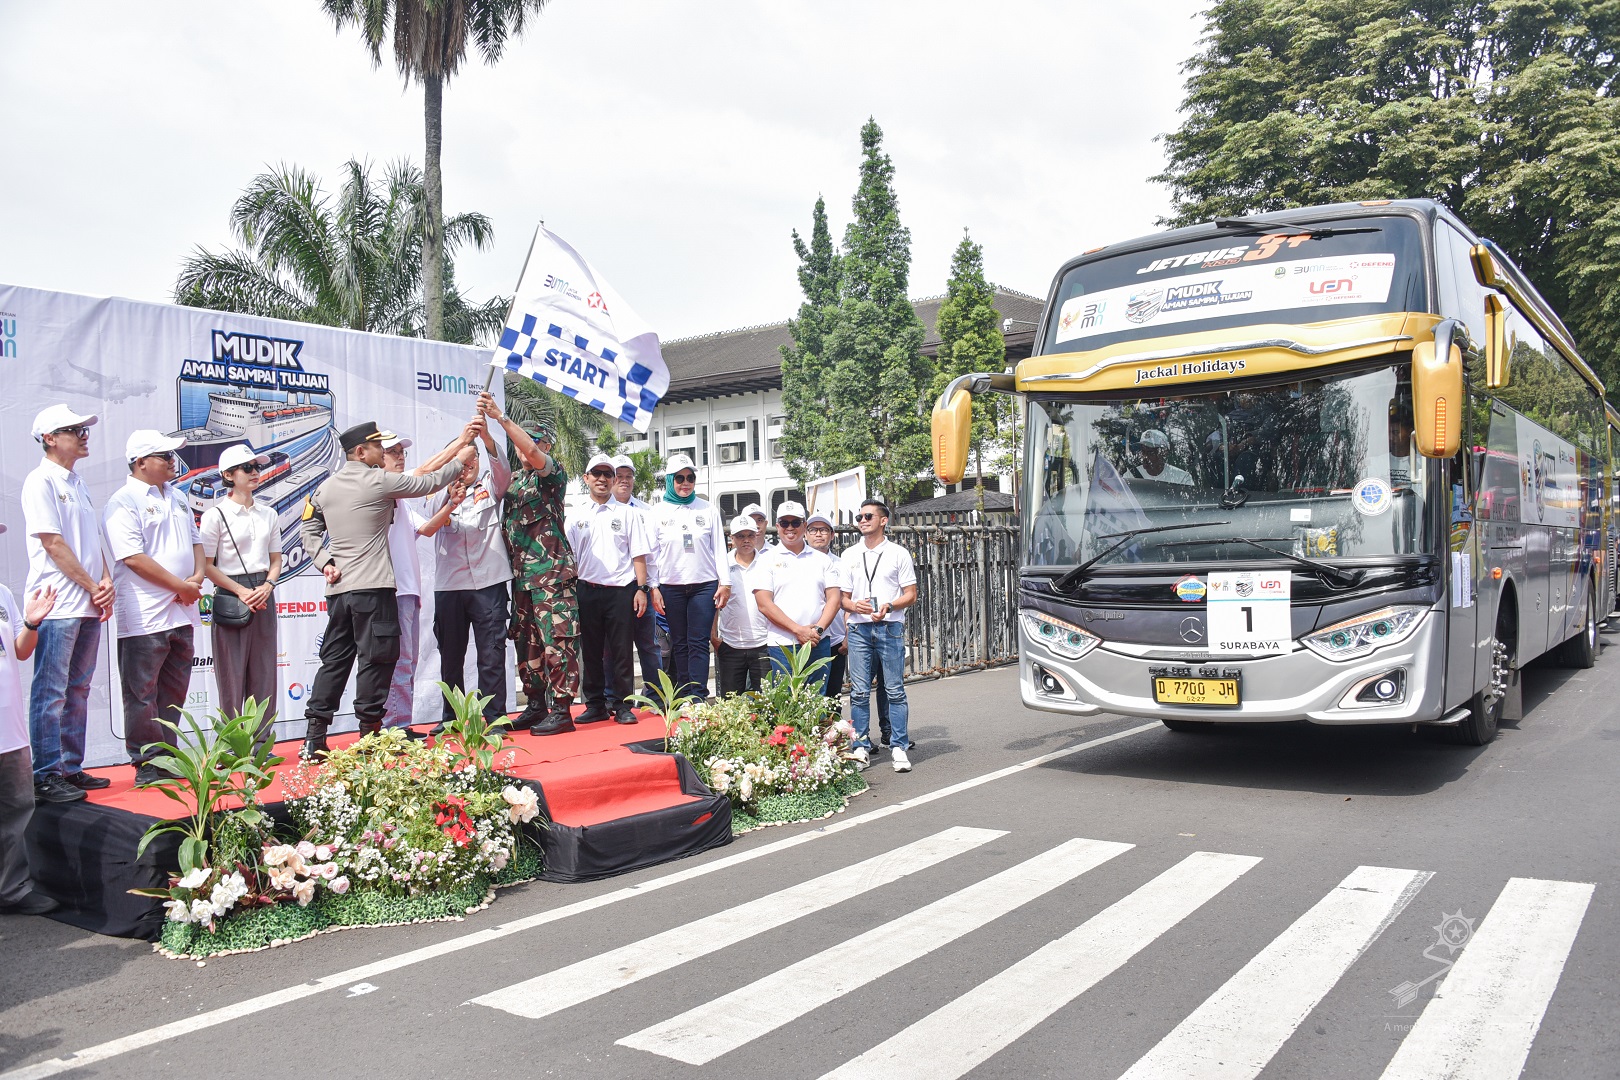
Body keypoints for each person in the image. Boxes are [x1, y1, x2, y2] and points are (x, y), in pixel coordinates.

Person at [299, 422, 470, 756]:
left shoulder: (326, 488)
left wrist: (324, 561)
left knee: (334, 663)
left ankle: (314, 738)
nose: (383, 451)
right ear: (360, 452)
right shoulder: (377, 480)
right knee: (375, 663)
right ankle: (370, 737)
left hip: (338, 591)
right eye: (378, 446)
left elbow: (309, 526)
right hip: (374, 589)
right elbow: (427, 483)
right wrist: (460, 460)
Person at [21, 405, 113, 803]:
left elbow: (91, 542)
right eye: (74, 430)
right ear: (49, 438)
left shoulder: (78, 483)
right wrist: (93, 585)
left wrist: (105, 581)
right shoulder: (39, 480)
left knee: (78, 689)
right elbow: (53, 544)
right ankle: (45, 775)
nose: (83, 435)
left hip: (87, 602)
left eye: (84, 429)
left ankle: (70, 769)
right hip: (57, 604)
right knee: (51, 692)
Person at [105, 431, 205, 786]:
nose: (172, 461)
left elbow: (196, 543)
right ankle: (146, 761)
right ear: (141, 462)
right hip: (145, 614)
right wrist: (181, 586)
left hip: (182, 610)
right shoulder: (123, 500)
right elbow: (132, 557)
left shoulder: (177, 495)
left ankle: (168, 757)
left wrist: (196, 578)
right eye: (165, 456)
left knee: (174, 691)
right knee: (141, 692)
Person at [478, 393, 579, 736]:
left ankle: (562, 710)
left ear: (546, 445)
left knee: (558, 643)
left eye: (534, 441)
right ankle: (536, 705)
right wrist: (487, 437)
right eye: (522, 441)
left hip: (552, 578)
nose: (525, 447)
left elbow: (533, 454)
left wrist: (501, 418)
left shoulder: (551, 475)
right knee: (527, 645)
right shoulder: (514, 481)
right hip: (521, 580)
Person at [423, 415, 513, 732]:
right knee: (451, 657)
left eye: (473, 458)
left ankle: (495, 718)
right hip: (450, 586)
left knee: (491, 654)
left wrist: (486, 438)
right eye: (462, 459)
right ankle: (452, 718)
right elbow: (428, 517)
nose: (468, 464)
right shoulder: (436, 493)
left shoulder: (490, 486)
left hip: (489, 584)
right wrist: (449, 494)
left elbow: (503, 471)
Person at [379, 430, 469, 735]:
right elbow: (424, 472)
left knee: (408, 660)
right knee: (399, 661)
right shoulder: (384, 488)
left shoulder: (401, 502)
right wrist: (460, 444)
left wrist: (451, 504)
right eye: (392, 452)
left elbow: (428, 529)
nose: (400, 457)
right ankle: (394, 727)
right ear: (378, 457)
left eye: (401, 451)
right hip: (393, 590)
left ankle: (399, 724)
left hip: (408, 590)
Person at [199, 444, 282, 749]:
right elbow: (207, 565)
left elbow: (276, 559)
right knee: (231, 674)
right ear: (228, 475)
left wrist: (268, 585)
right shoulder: (215, 515)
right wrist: (241, 591)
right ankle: (232, 743)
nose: (255, 472)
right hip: (231, 594)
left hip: (263, 593)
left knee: (264, 670)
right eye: (247, 468)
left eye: (257, 467)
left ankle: (260, 743)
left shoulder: (269, 513)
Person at [566, 453, 653, 725]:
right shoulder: (575, 515)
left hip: (620, 591)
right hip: (587, 590)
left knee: (621, 651)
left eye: (607, 474)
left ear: (614, 479)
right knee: (591, 650)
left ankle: (623, 705)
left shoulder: (628, 514)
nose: (602, 479)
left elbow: (639, 554)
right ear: (586, 478)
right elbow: (569, 557)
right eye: (597, 473)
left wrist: (642, 589)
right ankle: (595, 704)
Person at [1, 551, 63, 914]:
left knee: (16, 812)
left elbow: (20, 651)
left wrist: (31, 623)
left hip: (10, 730)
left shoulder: (3, 593)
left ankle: (12, 890)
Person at [841, 498, 918, 772]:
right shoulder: (849, 554)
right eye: (859, 517)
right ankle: (860, 747)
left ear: (883, 521)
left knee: (895, 690)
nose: (862, 521)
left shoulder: (898, 553)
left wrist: (889, 606)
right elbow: (843, 599)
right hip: (859, 629)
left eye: (868, 516)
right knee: (859, 692)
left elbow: (911, 594)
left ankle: (898, 746)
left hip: (889, 627)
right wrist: (855, 606)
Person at [647, 453, 729, 699]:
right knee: (679, 643)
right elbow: (651, 554)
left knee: (699, 642)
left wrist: (725, 582)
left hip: (704, 586)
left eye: (690, 478)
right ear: (670, 480)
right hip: (670, 587)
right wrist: (653, 587)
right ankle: (685, 695)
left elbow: (719, 548)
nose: (685, 483)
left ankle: (699, 695)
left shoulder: (708, 509)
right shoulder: (656, 512)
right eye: (680, 478)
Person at [750, 501, 841, 694]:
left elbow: (834, 599)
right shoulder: (766, 560)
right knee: (787, 701)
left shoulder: (822, 560)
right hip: (783, 644)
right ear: (777, 526)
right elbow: (764, 603)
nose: (790, 528)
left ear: (804, 525)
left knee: (817, 700)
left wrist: (817, 630)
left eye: (795, 522)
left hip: (818, 641)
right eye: (785, 523)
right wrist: (798, 630)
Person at [607, 454, 662, 709]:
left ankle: (655, 695)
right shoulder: (600, 510)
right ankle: (614, 698)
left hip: (641, 586)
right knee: (613, 647)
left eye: (629, 476)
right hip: (612, 590)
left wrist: (652, 586)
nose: (624, 481)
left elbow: (653, 554)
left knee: (648, 644)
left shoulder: (646, 512)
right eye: (619, 476)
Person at [712, 514, 772, 695]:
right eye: (740, 536)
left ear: (757, 535)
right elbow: (713, 602)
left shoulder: (768, 563)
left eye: (750, 535)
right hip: (731, 644)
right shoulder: (721, 566)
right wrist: (713, 636)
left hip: (763, 643)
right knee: (731, 703)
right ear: (732, 538)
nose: (746, 540)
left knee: (766, 702)